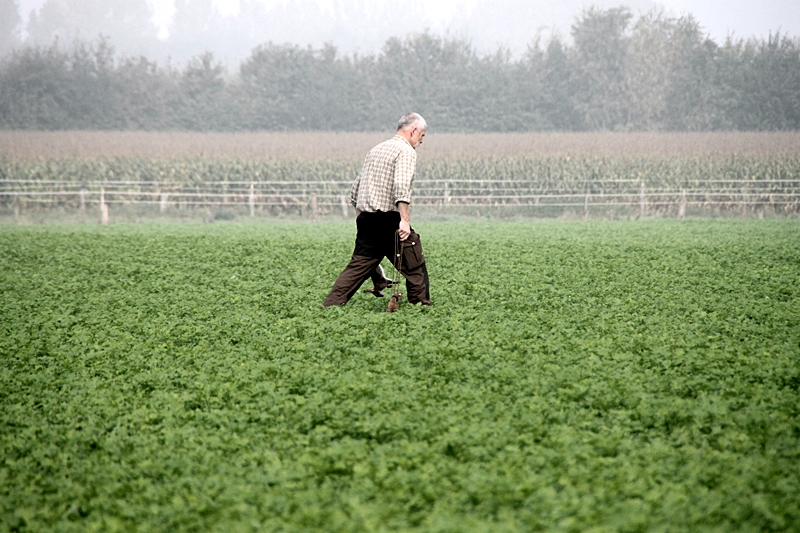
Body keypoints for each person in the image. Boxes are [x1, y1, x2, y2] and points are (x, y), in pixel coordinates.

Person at [322, 112, 432, 308]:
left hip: (367, 218)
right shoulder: (405, 151)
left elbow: (356, 189)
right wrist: (404, 221)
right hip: (388, 219)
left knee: (359, 265)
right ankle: (420, 306)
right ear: (413, 130)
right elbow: (401, 186)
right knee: (414, 263)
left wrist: (363, 218)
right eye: (422, 135)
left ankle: (330, 305)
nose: (421, 141)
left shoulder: (377, 149)